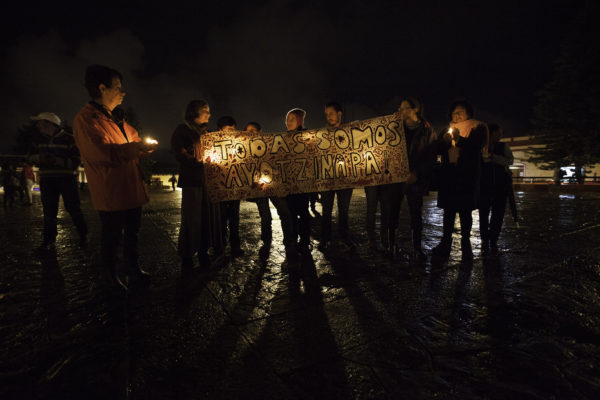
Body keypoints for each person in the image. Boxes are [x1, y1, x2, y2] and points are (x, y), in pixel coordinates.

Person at [73, 64, 156, 291]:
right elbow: (100, 153)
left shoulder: (117, 118)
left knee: (133, 232)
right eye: (118, 87)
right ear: (102, 88)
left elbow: (133, 139)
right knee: (111, 236)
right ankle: (110, 277)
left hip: (131, 186)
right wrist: (135, 148)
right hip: (111, 189)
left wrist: (142, 147)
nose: (123, 92)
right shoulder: (86, 119)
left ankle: (133, 267)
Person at [171, 100, 223, 277]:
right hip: (193, 181)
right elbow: (178, 153)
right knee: (192, 218)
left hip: (209, 182)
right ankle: (187, 255)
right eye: (204, 111)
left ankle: (204, 251)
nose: (208, 114)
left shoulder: (208, 133)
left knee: (208, 218)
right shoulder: (183, 131)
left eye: (209, 111)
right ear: (193, 112)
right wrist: (195, 161)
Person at [432, 100, 488, 262]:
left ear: (469, 113)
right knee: (448, 212)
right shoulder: (446, 129)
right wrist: (444, 141)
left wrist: (459, 139)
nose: (456, 115)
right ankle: (445, 243)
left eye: (460, 111)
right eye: (454, 112)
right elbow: (438, 149)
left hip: (467, 176)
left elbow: (477, 145)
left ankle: (466, 245)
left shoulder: (477, 127)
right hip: (449, 177)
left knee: (465, 211)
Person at [28, 112, 88, 249]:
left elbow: (76, 162)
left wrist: (56, 161)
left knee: (73, 208)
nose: (38, 125)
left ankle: (83, 235)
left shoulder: (70, 139)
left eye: (40, 122)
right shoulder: (38, 140)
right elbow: (29, 157)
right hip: (47, 180)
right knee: (49, 211)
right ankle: (48, 240)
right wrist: (37, 158)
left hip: (67, 180)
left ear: (49, 124)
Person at [392, 97, 437, 262]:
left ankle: (417, 248)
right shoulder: (395, 128)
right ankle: (391, 244)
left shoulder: (427, 131)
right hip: (396, 179)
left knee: (416, 215)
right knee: (392, 212)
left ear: (415, 109)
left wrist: (417, 174)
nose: (401, 111)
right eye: (400, 108)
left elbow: (430, 157)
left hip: (415, 180)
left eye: (405, 108)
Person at [318, 102, 355, 252]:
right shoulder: (321, 133)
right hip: (327, 179)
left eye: (331, 114)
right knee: (326, 210)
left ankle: (344, 237)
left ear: (339, 114)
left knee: (343, 210)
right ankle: (325, 238)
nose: (329, 117)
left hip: (345, 178)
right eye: (326, 114)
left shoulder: (351, 132)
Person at [479, 123, 514, 254]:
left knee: (498, 213)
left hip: (500, 185)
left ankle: (494, 237)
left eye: (501, 133)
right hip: (484, 185)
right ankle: (484, 236)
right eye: (498, 133)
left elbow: (510, 161)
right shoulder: (482, 146)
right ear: (490, 133)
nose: (500, 136)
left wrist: (495, 158)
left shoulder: (503, 146)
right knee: (483, 212)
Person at [285, 108, 312, 253]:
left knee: (303, 211)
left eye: (292, 119)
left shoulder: (307, 137)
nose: (288, 122)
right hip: (289, 183)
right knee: (291, 212)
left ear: (299, 121)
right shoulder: (283, 139)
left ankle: (305, 239)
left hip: (302, 183)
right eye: (287, 119)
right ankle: (293, 238)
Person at [217, 116, 244, 257]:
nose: (231, 132)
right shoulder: (213, 143)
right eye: (228, 129)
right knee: (220, 217)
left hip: (234, 186)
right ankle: (220, 245)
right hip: (220, 186)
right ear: (220, 129)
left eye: (233, 129)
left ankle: (235, 245)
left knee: (234, 217)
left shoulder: (239, 143)